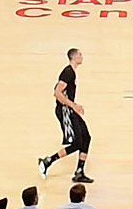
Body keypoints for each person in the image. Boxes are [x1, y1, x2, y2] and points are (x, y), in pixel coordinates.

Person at [38, 46, 92, 186]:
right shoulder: (68, 73)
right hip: (65, 110)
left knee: (86, 137)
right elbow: (57, 92)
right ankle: (48, 161)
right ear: (74, 57)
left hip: (70, 110)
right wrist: (73, 105)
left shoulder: (71, 73)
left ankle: (79, 171)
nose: (82, 56)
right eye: (80, 54)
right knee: (77, 142)